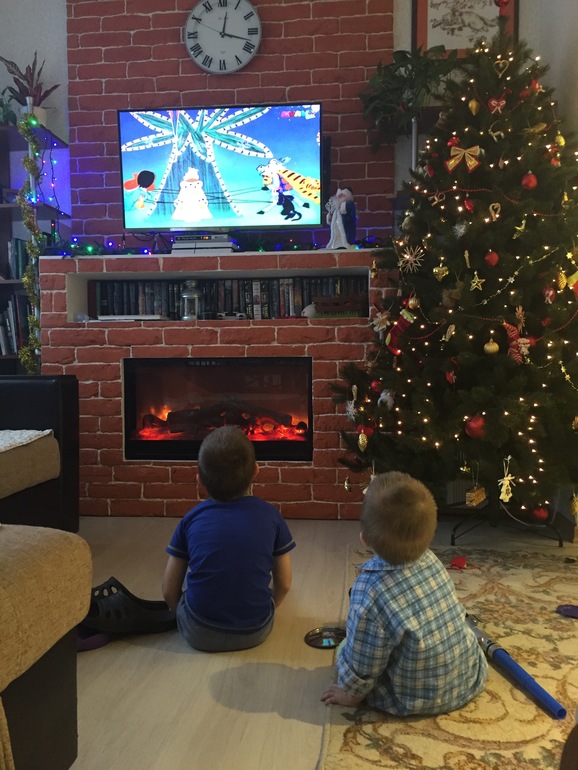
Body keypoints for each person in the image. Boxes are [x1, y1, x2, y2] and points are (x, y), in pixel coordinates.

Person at [321, 471, 488, 714]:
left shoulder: (369, 591)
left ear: (364, 539)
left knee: (345, 648)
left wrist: (350, 693)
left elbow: (363, 661)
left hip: (412, 697)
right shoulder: (431, 560)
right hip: (467, 678)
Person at [162, 425, 295, 652]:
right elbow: (284, 583)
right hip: (256, 630)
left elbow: (168, 590)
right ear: (256, 471)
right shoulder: (271, 516)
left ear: (199, 480)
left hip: (199, 633)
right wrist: (270, 606)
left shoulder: (190, 519)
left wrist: (184, 617)